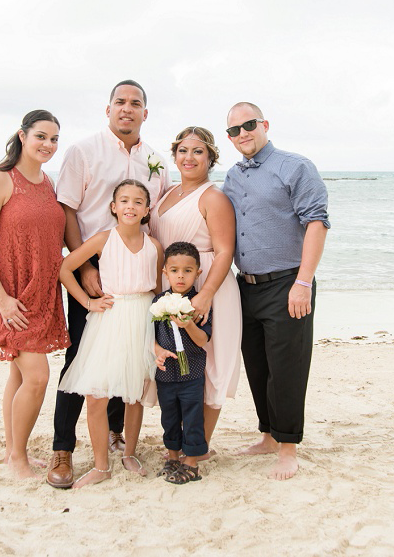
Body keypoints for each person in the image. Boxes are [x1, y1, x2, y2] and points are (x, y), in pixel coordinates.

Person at [49, 80, 171, 488]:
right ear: (108, 109)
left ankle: (119, 440)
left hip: (136, 279)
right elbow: (67, 210)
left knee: (130, 365)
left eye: (135, 103)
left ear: (145, 113)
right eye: (120, 102)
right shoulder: (83, 151)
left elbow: (156, 218)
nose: (127, 109)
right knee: (81, 364)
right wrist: (84, 269)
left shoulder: (156, 160)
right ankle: (63, 449)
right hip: (94, 269)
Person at [221, 102, 329, 481]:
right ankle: (267, 435)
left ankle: (287, 448)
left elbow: (317, 222)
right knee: (258, 366)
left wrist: (303, 282)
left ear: (264, 124)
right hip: (246, 287)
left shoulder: (295, 166)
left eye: (248, 125)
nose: (242, 134)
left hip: (288, 283)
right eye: (233, 130)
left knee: (287, 368)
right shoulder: (232, 177)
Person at [0, 110, 70, 479]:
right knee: (38, 377)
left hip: (41, 293)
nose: (48, 144)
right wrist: (1, 299)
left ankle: (14, 452)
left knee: (18, 374)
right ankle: (17, 461)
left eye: (55, 139)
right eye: (41, 136)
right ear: (23, 135)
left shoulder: (47, 183)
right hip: (9, 296)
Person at [57, 180, 163, 488]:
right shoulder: (103, 239)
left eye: (138, 201)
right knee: (96, 394)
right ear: (114, 207)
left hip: (143, 317)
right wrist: (89, 301)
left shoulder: (154, 245)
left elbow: (157, 288)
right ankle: (101, 466)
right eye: (124, 201)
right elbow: (65, 269)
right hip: (111, 319)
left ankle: (129, 453)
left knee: (136, 393)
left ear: (146, 210)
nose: (131, 206)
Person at [148, 126, 240, 457]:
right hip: (173, 282)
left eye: (198, 151)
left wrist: (205, 295)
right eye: (183, 151)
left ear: (211, 158)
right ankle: (181, 439)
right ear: (174, 156)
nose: (189, 157)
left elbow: (225, 250)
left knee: (211, 364)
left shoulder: (213, 197)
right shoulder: (166, 193)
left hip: (208, 284)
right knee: (174, 362)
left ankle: (199, 447)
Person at [152, 242, 211, 484]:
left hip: (192, 374)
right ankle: (173, 455)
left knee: (193, 415)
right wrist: (157, 352)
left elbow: (203, 340)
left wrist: (188, 324)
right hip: (166, 374)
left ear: (198, 272)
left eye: (187, 271)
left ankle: (192, 461)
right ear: (165, 272)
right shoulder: (158, 302)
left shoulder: (198, 303)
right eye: (174, 270)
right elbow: (151, 337)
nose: (180, 275)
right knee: (169, 416)